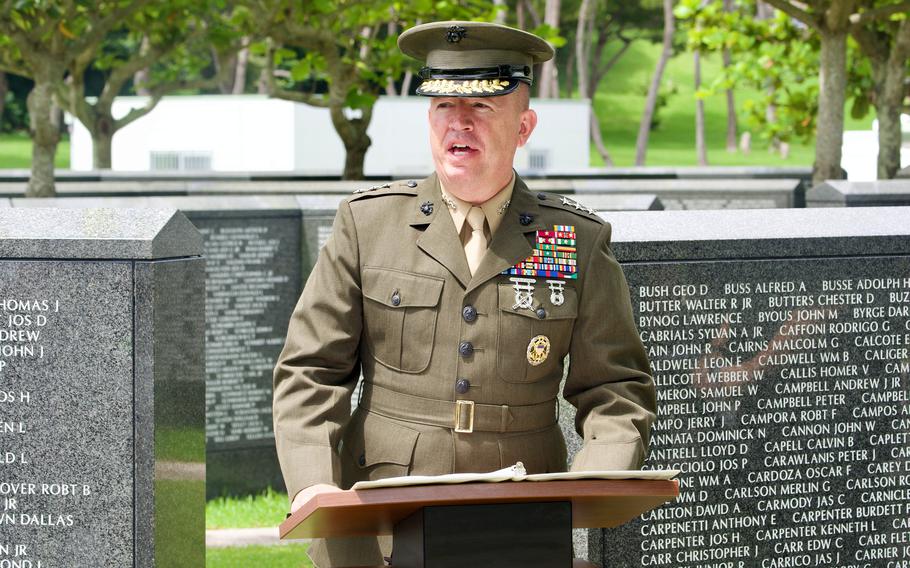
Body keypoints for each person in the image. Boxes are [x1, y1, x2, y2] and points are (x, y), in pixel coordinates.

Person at [273, 20, 656, 567]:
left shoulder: (573, 239)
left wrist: (599, 482)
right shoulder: (368, 225)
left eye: (481, 108)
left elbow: (616, 388)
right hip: (379, 518)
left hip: (520, 522)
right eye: (443, 106)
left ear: (524, 126)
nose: (459, 123)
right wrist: (314, 487)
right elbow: (311, 371)